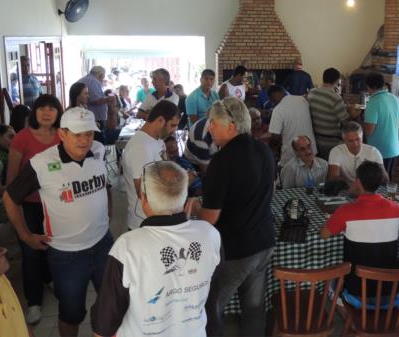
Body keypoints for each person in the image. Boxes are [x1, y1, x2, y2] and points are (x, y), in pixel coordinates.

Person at [3, 107, 114, 337]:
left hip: (103, 245)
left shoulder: (98, 150)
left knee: (112, 303)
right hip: (67, 254)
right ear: (62, 134)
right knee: (71, 313)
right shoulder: (41, 163)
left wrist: (107, 213)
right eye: (77, 134)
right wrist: (25, 236)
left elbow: (105, 185)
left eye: (89, 133)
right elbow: (10, 198)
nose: (85, 140)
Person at [90, 161, 220, 337]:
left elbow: (103, 325)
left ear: (144, 199)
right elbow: (210, 296)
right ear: (184, 197)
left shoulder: (127, 247)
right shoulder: (210, 235)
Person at [187, 98, 275, 336]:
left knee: (211, 309)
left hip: (237, 249)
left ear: (231, 126)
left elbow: (210, 217)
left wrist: (195, 207)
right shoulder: (264, 150)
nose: (209, 128)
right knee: (254, 309)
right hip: (264, 241)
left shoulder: (222, 160)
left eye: (213, 123)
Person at [5, 94, 63, 325]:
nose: (47, 113)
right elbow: (12, 178)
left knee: (54, 245)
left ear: (58, 113)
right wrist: (14, 207)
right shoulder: (23, 137)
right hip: (29, 204)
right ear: (34, 112)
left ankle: (51, 279)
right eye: (42, 108)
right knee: (30, 251)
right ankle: (34, 302)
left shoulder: (62, 135)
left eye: (52, 109)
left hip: (57, 203)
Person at [320, 161, 399, 303]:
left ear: (358, 182)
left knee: (330, 279)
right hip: (390, 293)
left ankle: (345, 310)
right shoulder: (396, 208)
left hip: (356, 293)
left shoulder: (345, 211)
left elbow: (324, 234)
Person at [121, 101, 180, 230]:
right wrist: (179, 185)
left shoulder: (158, 140)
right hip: (143, 223)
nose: (174, 130)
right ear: (160, 120)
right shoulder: (140, 147)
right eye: (172, 125)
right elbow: (143, 193)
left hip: (158, 218)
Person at [307, 67, 361, 159]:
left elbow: (324, 107)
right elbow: (346, 123)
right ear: (337, 81)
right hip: (332, 143)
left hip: (315, 140)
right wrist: (353, 114)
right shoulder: (335, 98)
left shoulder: (312, 93)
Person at [363, 72, 399, 176]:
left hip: (379, 150)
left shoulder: (373, 102)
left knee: (378, 180)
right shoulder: (394, 98)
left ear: (368, 86)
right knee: (388, 178)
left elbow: (369, 130)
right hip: (394, 148)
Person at [268, 85, 316, 167]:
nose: (272, 102)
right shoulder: (302, 99)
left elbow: (275, 136)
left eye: (271, 99)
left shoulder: (278, 109)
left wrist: (269, 148)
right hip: (310, 150)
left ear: (273, 95)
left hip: (292, 156)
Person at [328, 121, 383, 187]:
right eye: (350, 141)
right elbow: (334, 177)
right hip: (345, 188)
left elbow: (385, 179)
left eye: (358, 139)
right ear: (344, 140)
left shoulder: (373, 151)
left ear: (362, 137)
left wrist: (376, 171)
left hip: (368, 188)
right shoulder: (336, 151)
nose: (355, 144)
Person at [78, 66, 116, 130]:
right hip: (94, 117)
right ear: (101, 75)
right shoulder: (93, 81)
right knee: (98, 135)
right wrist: (109, 98)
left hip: (88, 116)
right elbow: (95, 100)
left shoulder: (87, 79)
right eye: (103, 76)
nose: (103, 78)